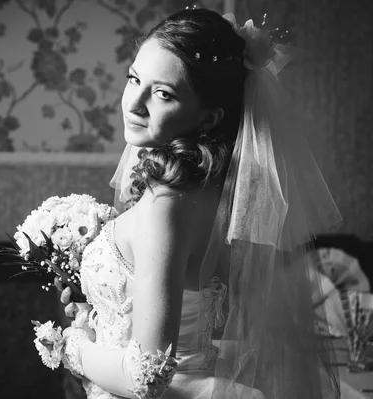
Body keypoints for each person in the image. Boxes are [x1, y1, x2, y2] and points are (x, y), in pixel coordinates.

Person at [53, 8, 342, 399]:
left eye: (162, 93)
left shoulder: (166, 204)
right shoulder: (205, 190)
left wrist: (72, 346)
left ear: (208, 118)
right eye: (134, 79)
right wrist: (96, 322)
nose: (134, 103)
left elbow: (145, 376)